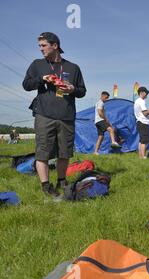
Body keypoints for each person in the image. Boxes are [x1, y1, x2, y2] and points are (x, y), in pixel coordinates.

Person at [22, 32, 86, 197]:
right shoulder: (37, 64)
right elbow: (26, 84)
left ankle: (62, 181)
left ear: (55, 46)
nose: (41, 49)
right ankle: (45, 186)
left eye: (43, 45)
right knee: (42, 152)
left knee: (64, 152)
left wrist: (72, 89)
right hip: (44, 115)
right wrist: (42, 79)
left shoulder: (73, 67)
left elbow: (82, 91)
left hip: (66, 116)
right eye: (40, 46)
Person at [134, 87, 149, 159]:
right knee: (144, 141)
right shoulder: (141, 101)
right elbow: (145, 113)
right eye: (146, 93)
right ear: (142, 93)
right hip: (143, 122)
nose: (147, 94)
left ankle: (140, 156)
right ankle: (143, 156)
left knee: (141, 141)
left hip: (139, 122)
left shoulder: (137, 101)